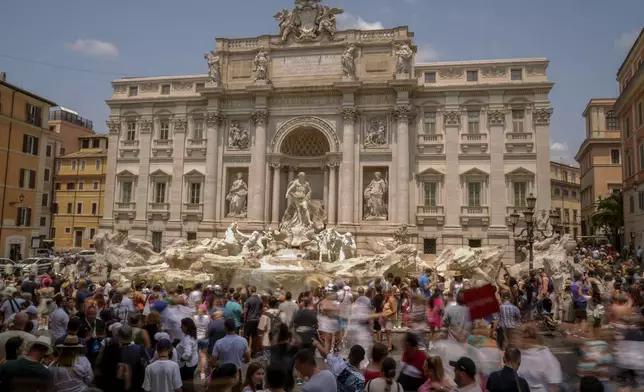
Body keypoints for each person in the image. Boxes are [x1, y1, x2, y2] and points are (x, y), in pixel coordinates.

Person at [211, 318, 250, 390]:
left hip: (223, 372)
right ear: (234, 327)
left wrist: (219, 363)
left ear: (225, 328)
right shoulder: (243, 340)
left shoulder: (219, 342)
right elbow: (247, 359)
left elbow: (213, 363)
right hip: (237, 372)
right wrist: (240, 359)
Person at [178, 317, 198, 392]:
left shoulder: (187, 339)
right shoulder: (192, 334)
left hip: (187, 365)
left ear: (186, 327)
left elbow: (188, 354)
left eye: (182, 325)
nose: (180, 327)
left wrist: (181, 359)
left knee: (186, 384)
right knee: (190, 382)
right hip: (193, 362)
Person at [243, 286, 262, 357]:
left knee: (246, 336)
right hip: (257, 320)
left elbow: (245, 311)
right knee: (254, 336)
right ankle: (254, 353)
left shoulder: (248, 300)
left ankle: (246, 353)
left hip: (249, 319)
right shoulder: (260, 299)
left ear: (251, 291)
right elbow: (261, 310)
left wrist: (244, 320)